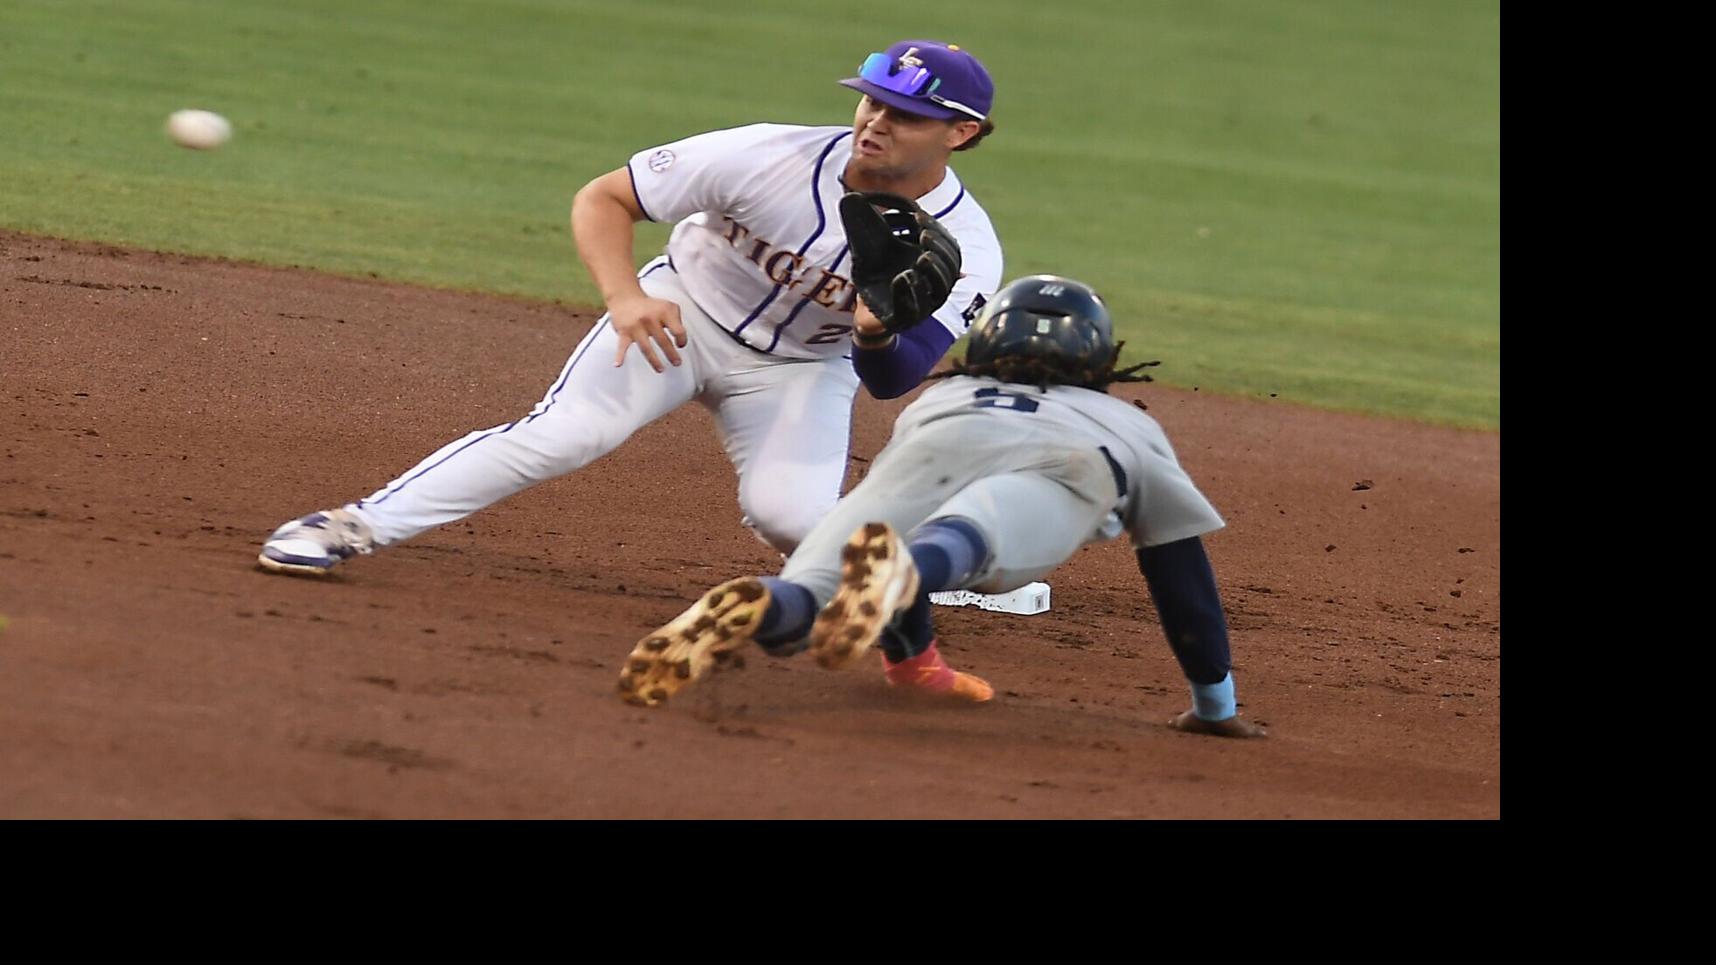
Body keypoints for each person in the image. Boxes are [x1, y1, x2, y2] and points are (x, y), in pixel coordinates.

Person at [257, 40, 1004, 574]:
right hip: (681, 313)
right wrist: (626, 295)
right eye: (874, 99)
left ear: (960, 134)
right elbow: (605, 196)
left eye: (905, 114)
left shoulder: (968, 247)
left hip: (804, 370)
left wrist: (874, 334)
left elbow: (891, 379)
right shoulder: (764, 156)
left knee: (793, 518)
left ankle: (939, 558)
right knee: (566, 434)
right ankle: (352, 524)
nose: (874, 120)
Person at [618, 275, 1267, 739]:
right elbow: (1182, 578)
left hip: (936, 448)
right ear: (1097, 357)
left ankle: (764, 602)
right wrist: (1214, 705)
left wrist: (908, 653)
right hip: (1060, 465)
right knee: (975, 528)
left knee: (822, 583)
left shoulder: (939, 399)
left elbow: (890, 542)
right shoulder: (1127, 426)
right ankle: (910, 566)